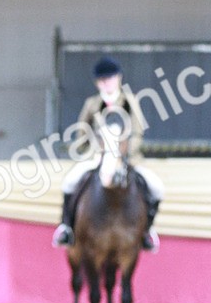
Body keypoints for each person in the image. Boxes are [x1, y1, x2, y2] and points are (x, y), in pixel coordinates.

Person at [52, 55, 164, 251]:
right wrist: (92, 149)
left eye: (110, 78)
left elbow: (138, 131)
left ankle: (147, 230)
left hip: (127, 158)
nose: (107, 83)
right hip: (98, 157)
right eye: (103, 80)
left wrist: (126, 152)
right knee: (69, 182)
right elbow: (81, 133)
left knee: (156, 187)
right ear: (97, 83)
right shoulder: (92, 104)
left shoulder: (130, 101)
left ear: (119, 78)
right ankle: (67, 228)